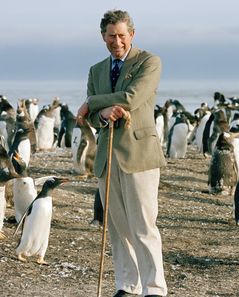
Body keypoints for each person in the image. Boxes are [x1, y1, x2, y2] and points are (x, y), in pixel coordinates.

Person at [77, 10, 167, 297]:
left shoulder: (149, 62)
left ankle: (154, 288)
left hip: (138, 153)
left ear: (132, 34)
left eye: (122, 35)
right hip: (107, 156)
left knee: (143, 225)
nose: (117, 41)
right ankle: (128, 285)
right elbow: (91, 120)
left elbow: (132, 98)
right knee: (117, 227)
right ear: (103, 36)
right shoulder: (96, 70)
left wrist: (91, 101)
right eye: (111, 35)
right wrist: (100, 112)